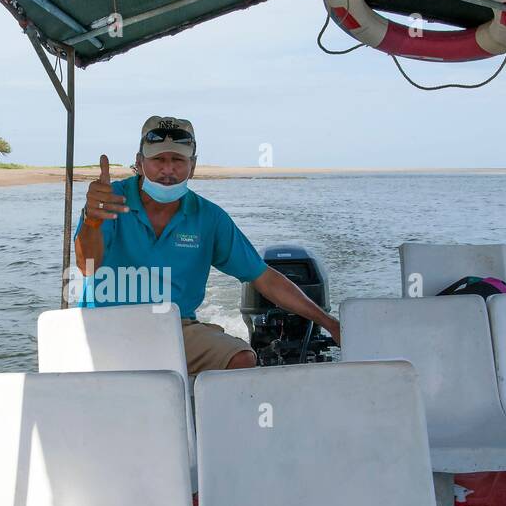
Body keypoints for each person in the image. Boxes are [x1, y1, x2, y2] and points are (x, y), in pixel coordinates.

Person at [74, 115, 340, 374]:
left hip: (175, 328)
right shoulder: (108, 199)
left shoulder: (209, 218)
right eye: (158, 160)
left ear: (193, 165)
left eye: (178, 160)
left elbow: (264, 277)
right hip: (106, 326)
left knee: (242, 358)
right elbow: (87, 266)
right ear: (140, 162)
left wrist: (329, 322)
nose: (168, 170)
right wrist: (91, 221)